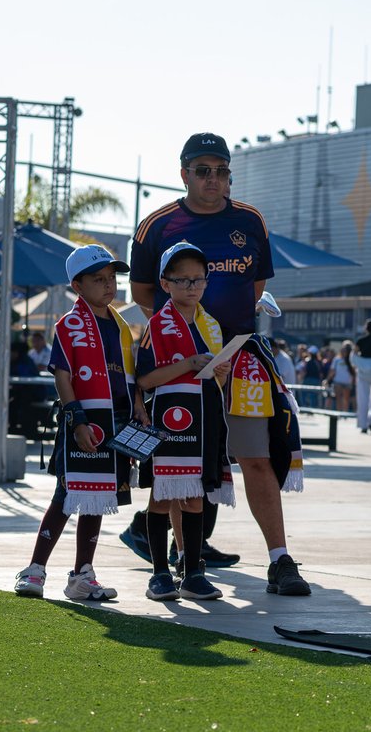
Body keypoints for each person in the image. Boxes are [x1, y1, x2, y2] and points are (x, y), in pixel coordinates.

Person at [124, 132, 310, 596]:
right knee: (175, 466)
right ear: (184, 172)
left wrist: (223, 346)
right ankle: (173, 563)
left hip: (240, 360)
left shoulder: (250, 220)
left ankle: (279, 560)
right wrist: (183, 336)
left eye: (221, 170)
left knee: (257, 456)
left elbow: (255, 284)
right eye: (203, 170)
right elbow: (142, 292)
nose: (213, 179)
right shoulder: (156, 225)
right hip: (179, 369)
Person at [14, 245, 147, 600]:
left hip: (117, 422)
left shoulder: (121, 326)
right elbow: (63, 376)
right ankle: (35, 570)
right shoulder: (69, 324)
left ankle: (82, 575)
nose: (109, 286)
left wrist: (138, 410)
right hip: (83, 421)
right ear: (78, 285)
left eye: (112, 278)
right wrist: (77, 421)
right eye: (99, 280)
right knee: (66, 495)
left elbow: (128, 379)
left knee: (98, 498)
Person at [135, 243, 231, 601]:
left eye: (198, 279)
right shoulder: (157, 324)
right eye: (183, 279)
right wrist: (190, 364)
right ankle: (159, 573)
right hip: (167, 418)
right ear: (165, 283)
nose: (192, 286)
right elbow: (145, 380)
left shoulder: (210, 323)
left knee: (195, 499)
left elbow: (214, 376)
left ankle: (192, 572)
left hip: (203, 420)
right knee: (161, 498)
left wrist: (217, 369)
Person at [328, 341, 355, 412]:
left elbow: (354, 372)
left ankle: (345, 413)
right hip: (338, 381)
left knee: (346, 398)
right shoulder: (337, 359)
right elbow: (332, 371)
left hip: (348, 382)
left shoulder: (352, 360)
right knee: (338, 398)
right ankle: (339, 412)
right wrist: (328, 380)